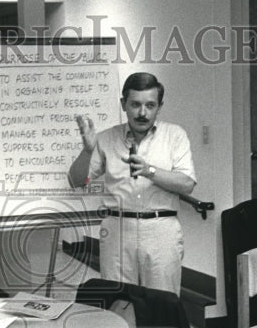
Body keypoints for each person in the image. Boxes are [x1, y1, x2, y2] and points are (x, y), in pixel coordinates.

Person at [67, 72, 196, 295]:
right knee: (118, 302)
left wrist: (150, 171)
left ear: (160, 106)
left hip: (161, 230)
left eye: (150, 105)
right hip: (117, 229)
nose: (143, 113)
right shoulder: (106, 138)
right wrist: (87, 151)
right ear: (123, 104)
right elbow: (76, 181)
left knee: (162, 304)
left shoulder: (175, 136)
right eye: (135, 104)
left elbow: (187, 184)